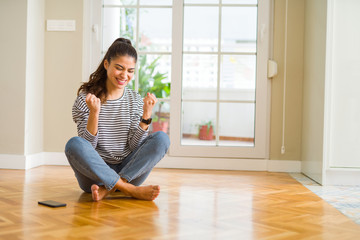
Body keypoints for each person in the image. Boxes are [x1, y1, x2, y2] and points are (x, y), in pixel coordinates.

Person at [64, 38, 170, 202]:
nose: (124, 75)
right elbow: (87, 146)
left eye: (130, 71)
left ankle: (112, 187)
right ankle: (128, 190)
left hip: (128, 171)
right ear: (106, 64)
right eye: (119, 68)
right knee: (74, 144)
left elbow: (135, 146)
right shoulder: (86, 99)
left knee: (162, 138)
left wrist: (146, 114)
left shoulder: (134, 99)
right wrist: (94, 113)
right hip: (94, 175)